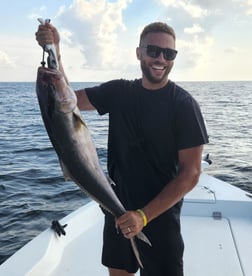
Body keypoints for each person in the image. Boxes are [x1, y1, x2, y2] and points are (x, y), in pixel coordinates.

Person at [36, 21, 208, 276]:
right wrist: (55, 50)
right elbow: (67, 99)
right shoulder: (118, 91)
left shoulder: (184, 105)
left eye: (168, 53)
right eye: (153, 50)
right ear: (139, 52)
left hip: (159, 217)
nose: (160, 58)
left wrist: (143, 216)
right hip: (115, 208)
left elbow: (191, 173)